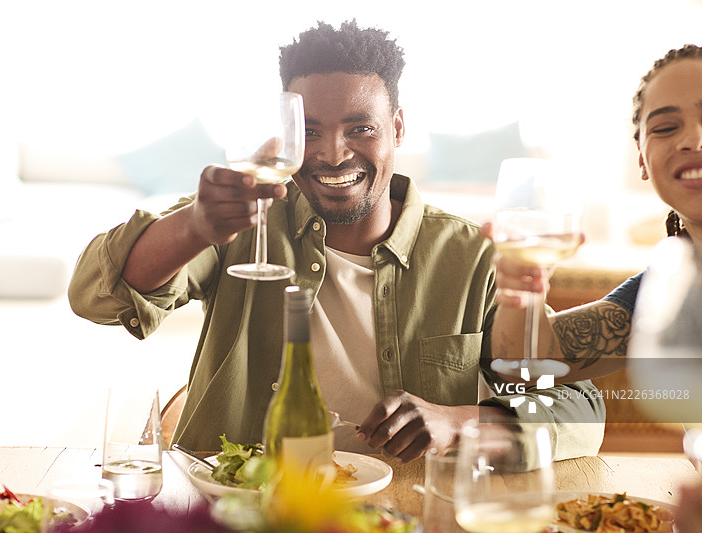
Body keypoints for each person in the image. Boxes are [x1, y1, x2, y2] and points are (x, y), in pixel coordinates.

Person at [68, 20, 604, 462]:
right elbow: (94, 295)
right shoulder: (237, 220)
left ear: (398, 128)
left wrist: (455, 421)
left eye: (360, 129)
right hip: (244, 506)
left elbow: (577, 409)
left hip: (404, 509)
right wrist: (191, 226)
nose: (331, 154)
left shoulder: (472, 256)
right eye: (311, 132)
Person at [490, 43, 702, 382]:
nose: (693, 140)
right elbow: (529, 365)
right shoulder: (665, 297)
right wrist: (522, 297)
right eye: (665, 128)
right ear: (643, 161)